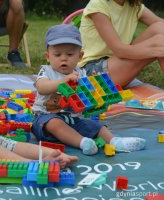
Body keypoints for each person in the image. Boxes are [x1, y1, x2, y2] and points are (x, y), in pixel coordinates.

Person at [31, 24, 146, 156]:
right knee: (55, 124)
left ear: (80, 56)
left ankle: (115, 141)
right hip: (45, 118)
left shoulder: (81, 73)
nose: (64, 58)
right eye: (57, 54)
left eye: (70, 54)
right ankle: (83, 143)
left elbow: (88, 101)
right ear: (48, 56)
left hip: (74, 119)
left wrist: (96, 86)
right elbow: (42, 87)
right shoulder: (46, 71)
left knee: (96, 126)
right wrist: (63, 81)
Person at [79, 0, 164, 87]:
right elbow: (119, 50)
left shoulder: (134, 6)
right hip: (93, 72)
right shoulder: (98, 4)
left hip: (116, 63)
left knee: (160, 28)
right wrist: (154, 49)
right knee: (160, 42)